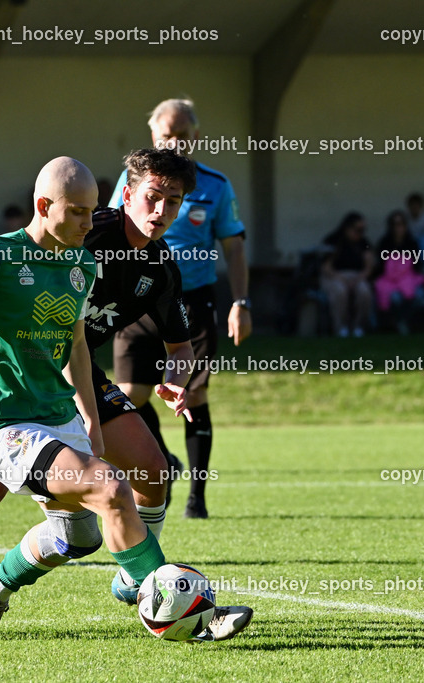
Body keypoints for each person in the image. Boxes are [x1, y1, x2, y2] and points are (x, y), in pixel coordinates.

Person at [0, 154, 252, 642]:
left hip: (62, 401)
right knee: (106, 489)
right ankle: (175, 607)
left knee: (81, 535)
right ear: (45, 205)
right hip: (3, 418)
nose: (86, 221)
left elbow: (78, 344)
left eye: (173, 202)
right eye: (77, 212)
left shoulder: (84, 263)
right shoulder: (0, 253)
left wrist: (93, 423)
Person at [109, 98, 251, 519]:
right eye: (166, 135)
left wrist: (240, 302)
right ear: (153, 137)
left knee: (194, 391)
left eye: (182, 136)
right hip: (136, 297)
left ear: (196, 138)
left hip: (192, 300)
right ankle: (162, 462)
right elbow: (112, 229)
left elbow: (234, 246)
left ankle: (197, 495)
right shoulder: (131, 180)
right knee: (128, 395)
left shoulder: (215, 185)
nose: (174, 143)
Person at [321, 212, 374, 337]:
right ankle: (341, 328)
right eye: (358, 229)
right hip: (335, 276)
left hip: (357, 276)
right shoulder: (333, 240)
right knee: (340, 291)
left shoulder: (364, 242)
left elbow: (369, 267)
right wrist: (341, 279)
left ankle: (358, 327)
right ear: (347, 227)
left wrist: (358, 279)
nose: (360, 233)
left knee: (364, 291)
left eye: (363, 230)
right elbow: (326, 267)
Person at [374, 211, 424, 335]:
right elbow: (380, 268)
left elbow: (417, 266)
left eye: (401, 224)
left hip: (409, 280)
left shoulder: (412, 243)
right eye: (395, 224)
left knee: (419, 296)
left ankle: (406, 323)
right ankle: (396, 323)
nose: (399, 228)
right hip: (389, 281)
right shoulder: (384, 243)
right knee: (394, 297)